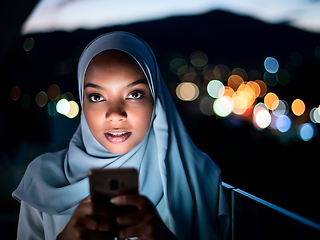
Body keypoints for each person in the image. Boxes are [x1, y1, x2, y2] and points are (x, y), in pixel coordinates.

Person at [12, 31, 229, 240]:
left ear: (156, 100)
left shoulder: (199, 176)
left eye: (134, 94)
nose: (115, 114)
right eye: (96, 97)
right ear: (82, 101)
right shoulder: (42, 180)